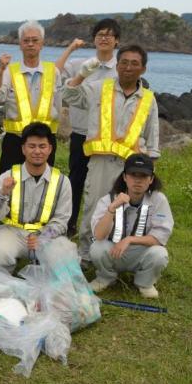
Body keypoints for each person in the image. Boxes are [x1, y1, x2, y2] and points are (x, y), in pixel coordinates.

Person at [63, 44, 159, 263]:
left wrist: (150, 172)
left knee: (128, 210)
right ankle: (86, 255)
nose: (128, 68)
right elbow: (69, 95)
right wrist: (81, 75)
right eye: (123, 62)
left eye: (134, 63)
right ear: (116, 66)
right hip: (100, 161)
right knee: (94, 206)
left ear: (143, 69)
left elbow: (152, 139)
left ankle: (118, 255)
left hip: (132, 167)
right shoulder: (99, 87)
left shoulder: (148, 99)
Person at [55, 18, 121, 237]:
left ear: (116, 41)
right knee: (76, 181)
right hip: (81, 133)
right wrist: (72, 48)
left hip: (107, 137)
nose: (104, 38)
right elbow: (55, 74)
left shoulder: (120, 69)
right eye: (100, 35)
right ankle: (70, 224)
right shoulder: (82, 65)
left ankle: (101, 227)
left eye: (108, 35)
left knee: (105, 185)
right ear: (94, 39)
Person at [0, 122, 72, 273]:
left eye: (42, 146)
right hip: (13, 232)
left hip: (46, 233)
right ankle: (7, 271)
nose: (37, 151)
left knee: (64, 255)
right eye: (32, 146)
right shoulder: (8, 176)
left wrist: (43, 237)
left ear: (50, 149)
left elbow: (62, 219)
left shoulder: (62, 181)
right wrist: (3, 193)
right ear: (23, 149)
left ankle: (42, 267)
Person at [89, 154, 173, 298]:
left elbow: (159, 237)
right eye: (133, 175)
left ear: (151, 179)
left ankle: (145, 283)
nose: (138, 180)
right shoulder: (108, 199)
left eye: (144, 176)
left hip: (141, 252)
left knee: (160, 254)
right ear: (124, 177)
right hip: (114, 251)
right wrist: (112, 209)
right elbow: (98, 235)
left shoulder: (159, 200)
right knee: (96, 248)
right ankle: (105, 277)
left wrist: (129, 240)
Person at [0, 21, 61, 174]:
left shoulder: (53, 71)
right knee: (10, 181)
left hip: (45, 139)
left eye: (35, 40)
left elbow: (58, 103)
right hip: (15, 139)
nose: (30, 44)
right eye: (26, 40)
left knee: (44, 183)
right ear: (20, 44)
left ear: (42, 43)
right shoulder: (9, 70)